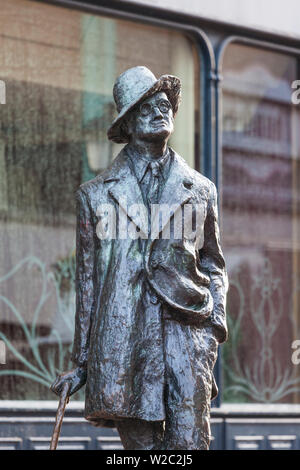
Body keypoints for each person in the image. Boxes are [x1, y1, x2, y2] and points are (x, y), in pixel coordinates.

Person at [51, 66, 228, 450]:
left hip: (186, 335)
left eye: (164, 103)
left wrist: (213, 328)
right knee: (141, 450)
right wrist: (82, 364)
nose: (160, 109)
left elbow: (214, 264)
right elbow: (88, 284)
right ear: (127, 123)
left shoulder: (200, 189)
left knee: (189, 448)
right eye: (146, 105)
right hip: (122, 342)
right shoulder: (95, 195)